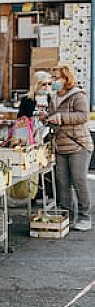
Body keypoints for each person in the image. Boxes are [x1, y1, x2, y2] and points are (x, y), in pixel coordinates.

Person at [45, 63, 93, 231]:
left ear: (66, 79)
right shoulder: (53, 97)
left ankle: (85, 216)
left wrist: (61, 117)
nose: (53, 81)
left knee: (79, 179)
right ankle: (66, 216)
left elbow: (83, 116)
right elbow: (54, 119)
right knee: (62, 181)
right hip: (60, 145)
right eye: (52, 78)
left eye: (56, 78)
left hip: (78, 144)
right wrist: (47, 118)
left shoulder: (78, 96)